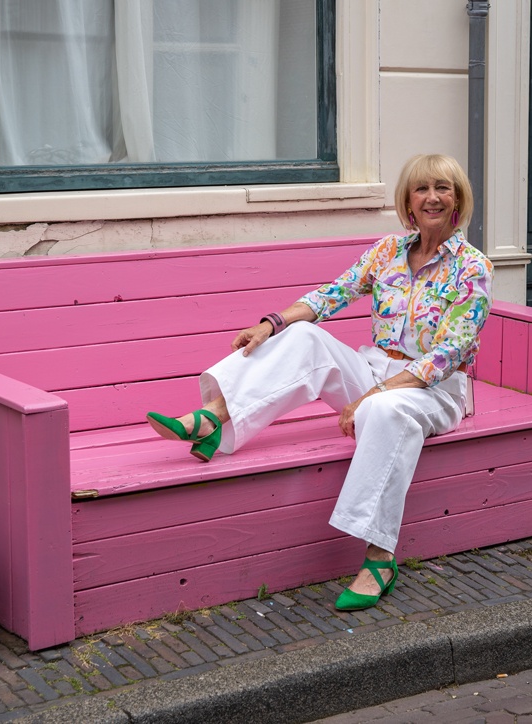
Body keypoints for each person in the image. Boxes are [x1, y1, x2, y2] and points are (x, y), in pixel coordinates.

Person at [147, 154, 493, 611]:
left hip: (432, 389)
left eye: (443, 188)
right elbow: (334, 293)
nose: (432, 197)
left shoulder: (473, 267)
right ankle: (212, 417)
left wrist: (375, 393)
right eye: (421, 188)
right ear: (408, 200)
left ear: (457, 200)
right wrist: (272, 323)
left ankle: (379, 556)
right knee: (306, 336)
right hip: (375, 370)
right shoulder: (388, 252)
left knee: (384, 410)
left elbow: (449, 354)